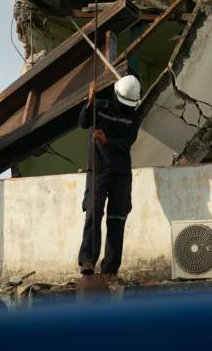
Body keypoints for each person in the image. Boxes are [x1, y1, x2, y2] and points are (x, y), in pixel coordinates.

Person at [77, 75, 141, 276]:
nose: (126, 107)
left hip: (121, 173)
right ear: (115, 94)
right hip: (98, 170)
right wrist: (89, 101)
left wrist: (107, 141)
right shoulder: (99, 107)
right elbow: (83, 122)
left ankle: (110, 269)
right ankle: (88, 260)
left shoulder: (133, 116)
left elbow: (126, 144)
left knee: (117, 218)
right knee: (94, 212)